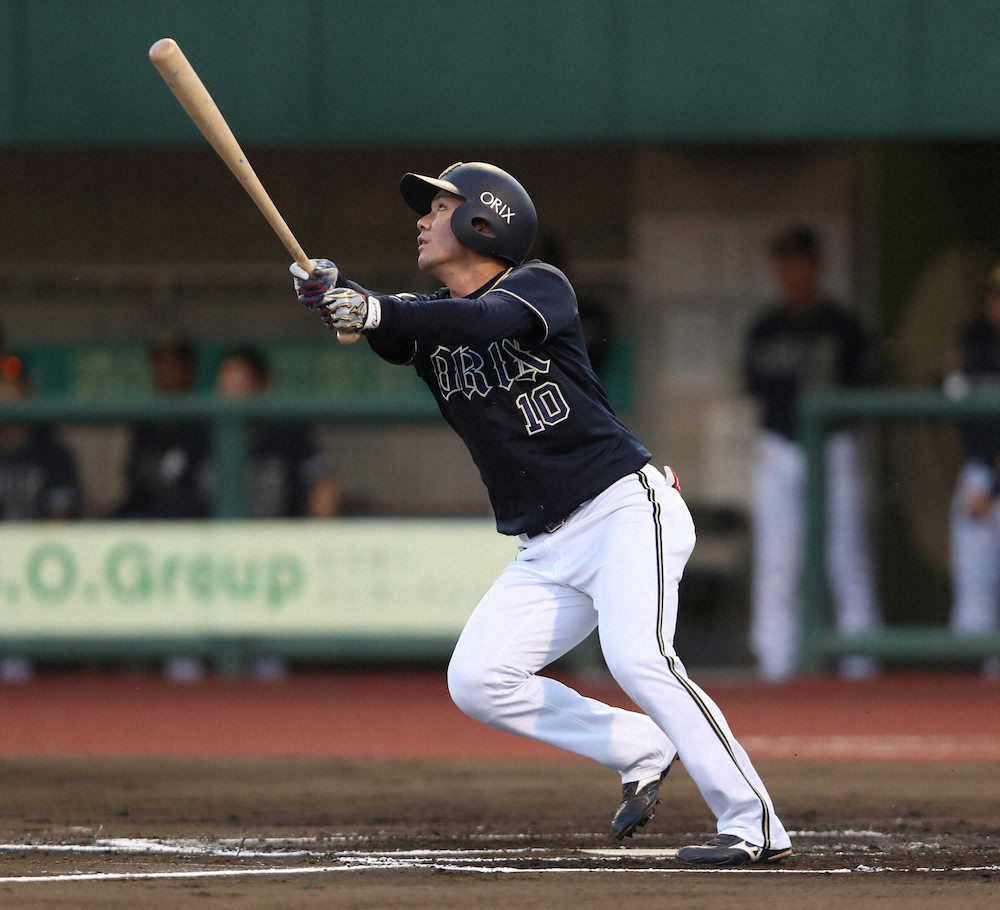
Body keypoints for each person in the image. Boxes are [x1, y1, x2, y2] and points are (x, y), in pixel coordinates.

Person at [289, 162, 792, 865]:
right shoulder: (428, 319)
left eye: (439, 208)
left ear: (485, 221)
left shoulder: (539, 286)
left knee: (639, 657)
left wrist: (375, 308)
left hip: (623, 510)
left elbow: (476, 318)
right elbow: (395, 325)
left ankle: (754, 822)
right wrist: (334, 294)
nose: (423, 221)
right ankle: (638, 744)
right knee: (478, 679)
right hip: (545, 547)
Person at [744, 226, 882, 681]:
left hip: (833, 447)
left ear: (816, 265)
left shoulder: (842, 325)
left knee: (846, 556)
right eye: (784, 262)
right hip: (779, 447)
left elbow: (868, 386)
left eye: (799, 260)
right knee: (778, 559)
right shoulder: (765, 327)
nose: (791, 271)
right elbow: (752, 389)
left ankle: (861, 662)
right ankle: (775, 663)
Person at [0, 353, 81, 681]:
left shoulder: (53, 453)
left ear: (28, 390)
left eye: (11, 384)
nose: (4, 392)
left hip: (39, 570)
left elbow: (57, 527)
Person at [944, 264, 1000, 678]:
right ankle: (974, 698)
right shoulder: (976, 341)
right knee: (973, 601)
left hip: (989, 478)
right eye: (994, 296)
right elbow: (960, 411)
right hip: (979, 474)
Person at [214, 346, 341, 519]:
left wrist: (316, 536)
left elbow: (323, 483)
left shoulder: (287, 431)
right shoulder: (204, 433)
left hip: (278, 538)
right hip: (212, 539)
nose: (231, 388)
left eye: (239, 379)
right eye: (226, 379)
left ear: (261, 384)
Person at [115, 337, 212, 519]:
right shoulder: (145, 428)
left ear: (188, 370)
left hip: (194, 526)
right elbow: (134, 489)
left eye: (173, 364)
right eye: (160, 363)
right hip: (150, 526)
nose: (165, 371)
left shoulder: (204, 427)